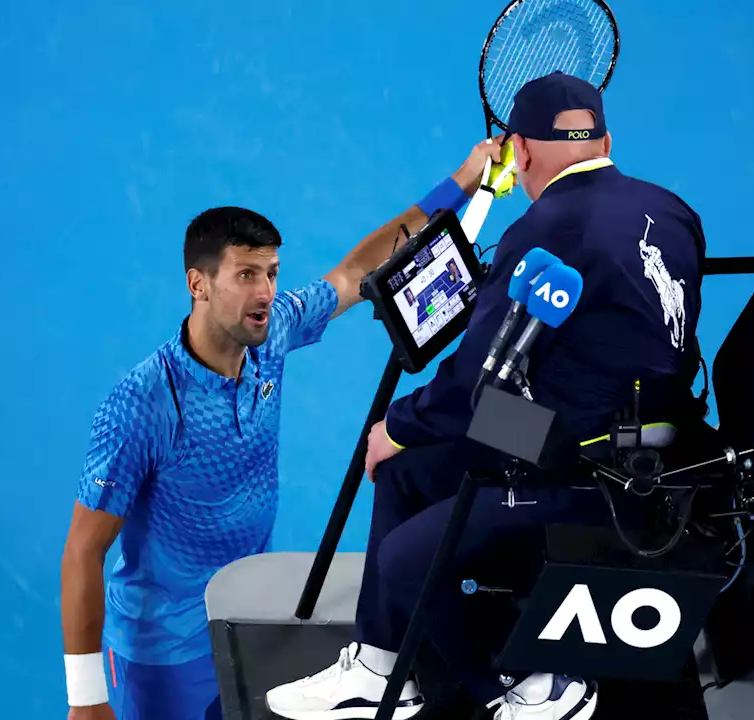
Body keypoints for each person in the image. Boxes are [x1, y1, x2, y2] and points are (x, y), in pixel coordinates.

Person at [265, 71, 708, 720]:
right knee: (409, 471)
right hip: (634, 437)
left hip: (582, 462)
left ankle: (534, 687)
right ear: (604, 138)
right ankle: (379, 664)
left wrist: (399, 422)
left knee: (404, 555)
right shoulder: (673, 211)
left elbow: (475, 384)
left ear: (521, 154)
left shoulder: (545, 229)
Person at [59, 139, 504, 720]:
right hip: (162, 652)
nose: (266, 293)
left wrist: (462, 182)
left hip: (243, 610)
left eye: (271, 273)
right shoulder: (142, 404)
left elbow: (354, 270)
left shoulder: (272, 336)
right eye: (246, 275)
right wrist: (86, 698)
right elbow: (83, 551)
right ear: (198, 284)